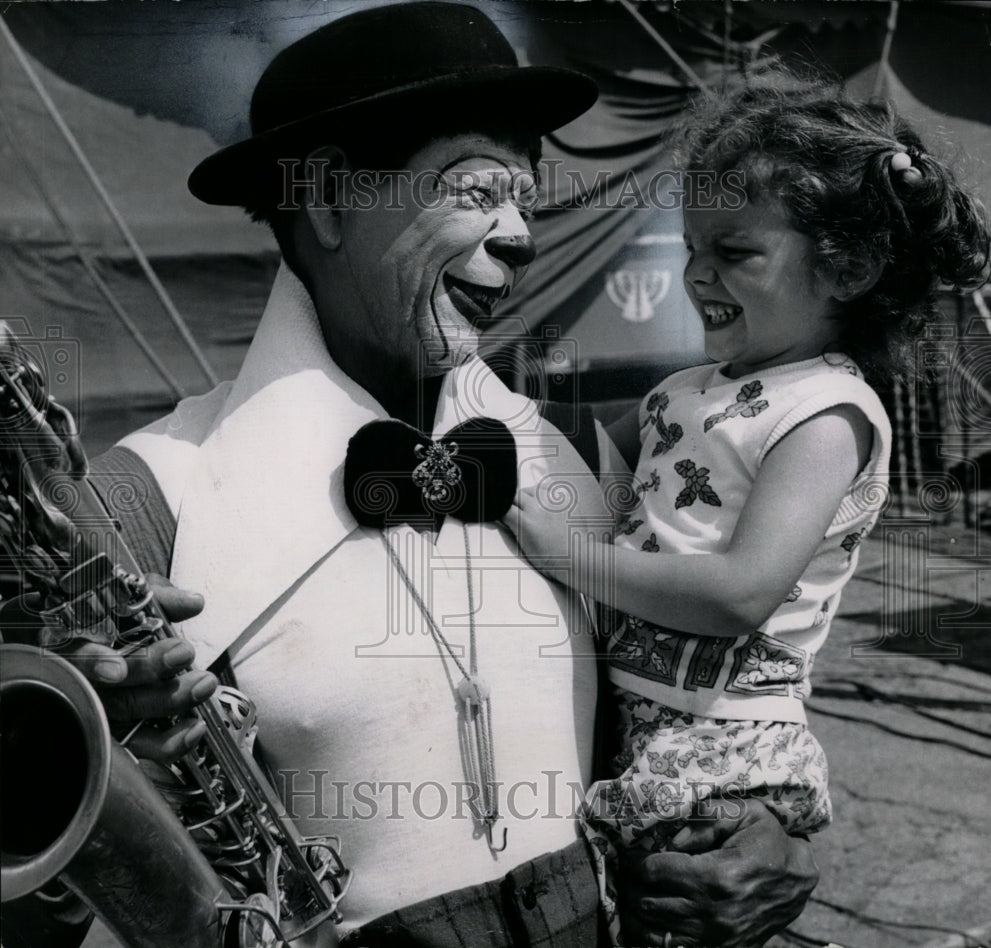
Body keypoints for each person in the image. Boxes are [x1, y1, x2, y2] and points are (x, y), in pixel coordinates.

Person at [3, 7, 822, 947]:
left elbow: (711, 693)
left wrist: (777, 831)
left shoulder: (580, 457)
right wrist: (99, 765)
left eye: (524, 194)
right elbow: (46, 890)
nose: (520, 233)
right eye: (476, 189)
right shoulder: (145, 500)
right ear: (331, 203)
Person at [505, 74, 991, 944]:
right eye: (692, 246)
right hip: (645, 723)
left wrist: (565, 554)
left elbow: (740, 592)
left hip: (720, 753)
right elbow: (554, 441)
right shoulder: (689, 390)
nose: (697, 273)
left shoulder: (827, 414)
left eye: (735, 251)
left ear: (847, 267)